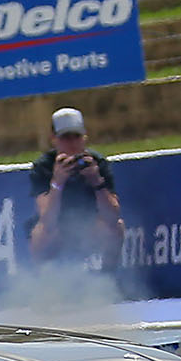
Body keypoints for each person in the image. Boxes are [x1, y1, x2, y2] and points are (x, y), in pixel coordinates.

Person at [28, 107, 123, 270]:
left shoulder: (97, 163)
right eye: (65, 137)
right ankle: (44, 280)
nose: (72, 143)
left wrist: (97, 182)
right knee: (40, 233)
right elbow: (47, 220)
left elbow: (113, 215)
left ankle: (109, 276)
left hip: (89, 224)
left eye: (76, 137)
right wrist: (57, 182)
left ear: (84, 137)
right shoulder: (43, 167)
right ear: (54, 139)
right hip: (57, 228)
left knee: (116, 228)